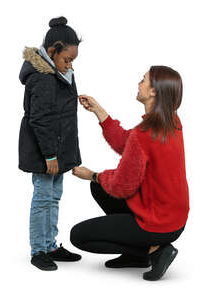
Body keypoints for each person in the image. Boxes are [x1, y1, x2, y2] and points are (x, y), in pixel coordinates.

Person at [70, 66, 190, 281]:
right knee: (99, 188)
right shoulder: (172, 121)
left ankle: (155, 251)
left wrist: (92, 174)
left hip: (158, 224)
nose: (139, 84)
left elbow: (121, 186)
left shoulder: (144, 133)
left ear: (154, 91)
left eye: (143, 80)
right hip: (175, 218)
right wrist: (99, 111)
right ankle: (136, 256)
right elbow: (128, 143)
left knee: (78, 236)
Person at [18, 16, 82, 271]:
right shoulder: (43, 78)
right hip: (45, 152)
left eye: (73, 61)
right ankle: (38, 250)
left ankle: (51, 244)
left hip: (58, 149)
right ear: (53, 50)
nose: (70, 65)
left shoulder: (59, 73)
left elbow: (61, 114)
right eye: (67, 59)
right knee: (43, 197)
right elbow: (42, 119)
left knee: (54, 197)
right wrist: (50, 156)